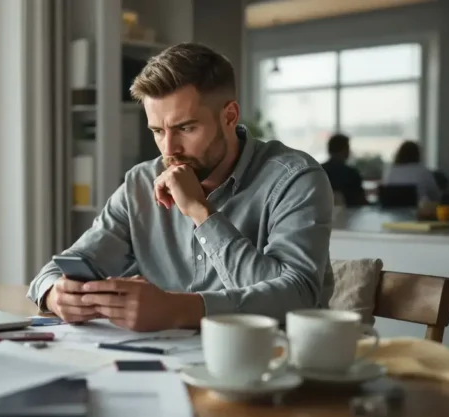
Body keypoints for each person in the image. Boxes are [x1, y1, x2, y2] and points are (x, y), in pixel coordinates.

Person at [27, 43, 335, 332]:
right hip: (159, 365)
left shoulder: (295, 178)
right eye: (158, 131)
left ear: (229, 116)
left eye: (185, 128)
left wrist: (201, 213)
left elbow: (297, 297)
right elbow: (56, 271)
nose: (169, 148)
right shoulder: (140, 184)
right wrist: (55, 295)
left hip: (269, 365)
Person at [320, 134, 367, 207]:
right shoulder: (351, 173)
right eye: (348, 148)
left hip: (322, 214)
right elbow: (361, 201)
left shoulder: (318, 171)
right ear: (345, 150)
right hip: (350, 215)